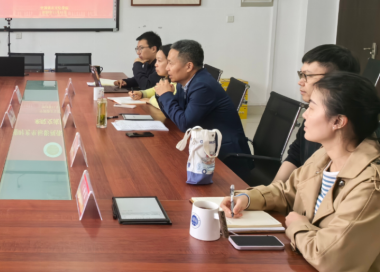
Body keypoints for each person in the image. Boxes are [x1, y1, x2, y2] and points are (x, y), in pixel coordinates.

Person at [221, 73, 380, 272]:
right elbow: (287, 192)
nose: (304, 115)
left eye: (312, 107)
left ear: (338, 121)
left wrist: (298, 225)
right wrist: (247, 198)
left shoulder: (370, 186)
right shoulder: (324, 156)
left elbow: (328, 257)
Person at [153, 40, 252, 178]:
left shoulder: (203, 86)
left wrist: (166, 95)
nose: (167, 68)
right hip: (206, 148)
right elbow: (175, 117)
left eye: (171, 63)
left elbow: (184, 123)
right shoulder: (185, 82)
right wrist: (162, 95)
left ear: (188, 66)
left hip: (226, 157)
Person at [274, 45, 361, 183]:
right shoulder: (313, 115)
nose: (300, 82)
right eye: (301, 74)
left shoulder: (352, 135)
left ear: (336, 80)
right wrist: (274, 187)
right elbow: (296, 154)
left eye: (308, 76)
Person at [129, 44, 176, 112]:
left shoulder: (177, 83)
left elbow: (166, 104)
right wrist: (142, 93)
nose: (155, 64)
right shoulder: (164, 79)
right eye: (156, 61)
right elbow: (155, 89)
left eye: (159, 61)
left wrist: (151, 100)